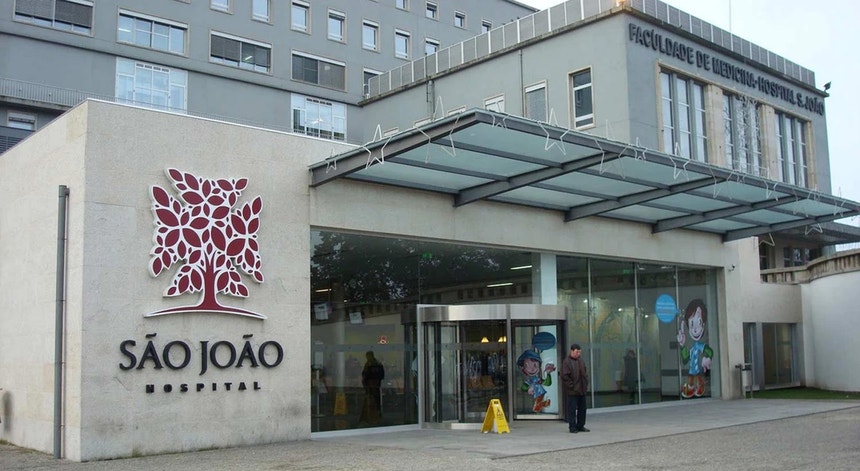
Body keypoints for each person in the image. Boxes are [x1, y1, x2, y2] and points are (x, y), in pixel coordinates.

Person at [561, 343, 589, 433]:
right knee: (572, 410)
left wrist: (585, 383)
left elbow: (585, 372)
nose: (578, 354)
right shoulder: (567, 362)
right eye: (577, 352)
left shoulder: (581, 361)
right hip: (572, 391)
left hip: (582, 389)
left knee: (582, 409)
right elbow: (564, 376)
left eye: (579, 352)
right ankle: (572, 427)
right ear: (572, 351)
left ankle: (581, 425)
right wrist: (572, 386)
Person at [360, 350, 385, 425]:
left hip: (373, 385)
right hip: (373, 385)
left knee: (373, 399)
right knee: (373, 399)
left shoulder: (372, 364)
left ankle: (374, 414)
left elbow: (366, 374)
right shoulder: (373, 364)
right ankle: (374, 414)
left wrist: (370, 381)